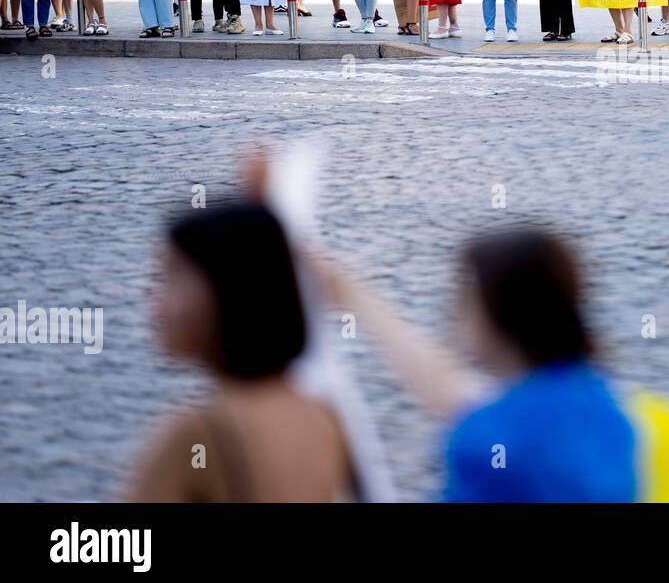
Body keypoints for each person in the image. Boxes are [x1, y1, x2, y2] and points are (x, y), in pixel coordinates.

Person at [324, 226, 637, 502]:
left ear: (496, 315)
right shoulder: (607, 406)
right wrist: (351, 295)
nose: (450, 312)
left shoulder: (483, 437)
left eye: (461, 299)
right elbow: (451, 391)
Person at [127, 204, 354, 502]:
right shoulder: (325, 417)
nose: (152, 295)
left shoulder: (195, 437)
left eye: (170, 276)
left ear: (225, 290)